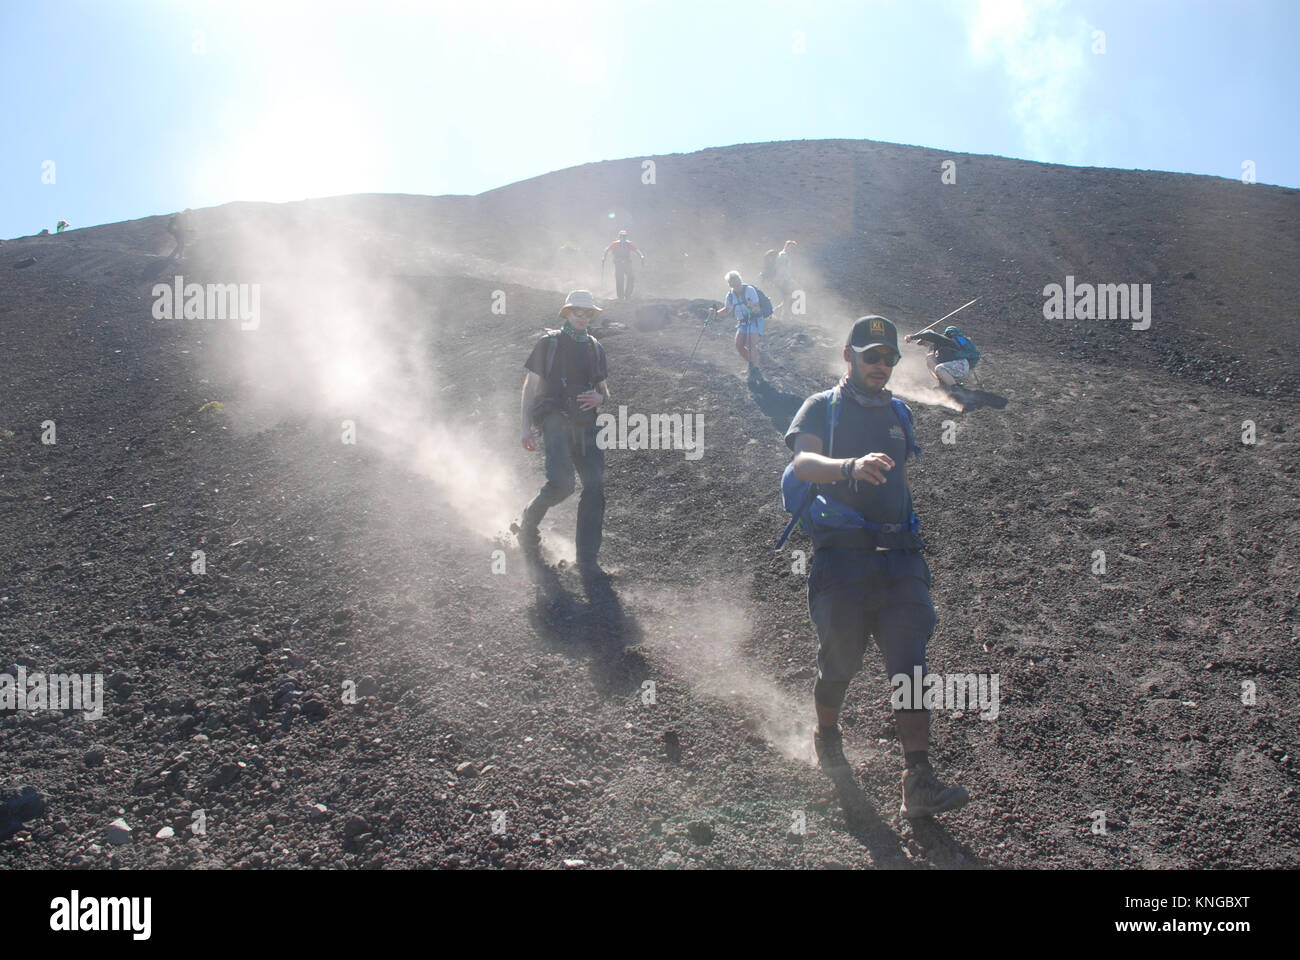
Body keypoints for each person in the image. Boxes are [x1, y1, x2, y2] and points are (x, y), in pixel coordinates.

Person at [784, 314, 969, 818]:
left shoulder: (899, 413)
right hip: (841, 558)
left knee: (910, 664)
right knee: (839, 662)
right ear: (849, 355)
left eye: (889, 358)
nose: (881, 365)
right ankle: (826, 734)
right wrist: (849, 467)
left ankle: (919, 778)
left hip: (899, 557)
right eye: (872, 356)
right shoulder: (821, 407)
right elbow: (803, 465)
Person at [517, 290, 611, 572]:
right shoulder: (549, 343)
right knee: (562, 484)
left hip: (586, 424)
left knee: (595, 487)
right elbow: (530, 387)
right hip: (554, 418)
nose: (582, 318)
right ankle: (528, 523)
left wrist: (601, 399)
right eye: (576, 313)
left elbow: (602, 389)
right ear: (567, 313)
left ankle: (586, 559)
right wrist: (525, 427)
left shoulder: (595, 347)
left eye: (587, 314)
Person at [716, 270, 764, 384]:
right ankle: (753, 365)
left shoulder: (750, 290)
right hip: (743, 322)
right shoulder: (730, 295)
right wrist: (715, 313)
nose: (738, 287)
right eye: (735, 285)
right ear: (730, 285)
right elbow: (727, 310)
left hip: (754, 320)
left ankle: (755, 369)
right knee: (739, 345)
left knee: (750, 344)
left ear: (740, 280)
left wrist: (752, 307)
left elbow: (758, 309)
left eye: (739, 283)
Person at [905, 325, 982, 391]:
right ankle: (944, 384)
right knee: (930, 358)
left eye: (925, 341)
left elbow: (930, 335)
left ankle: (956, 389)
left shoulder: (945, 340)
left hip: (960, 366)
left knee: (939, 368)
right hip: (958, 366)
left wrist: (912, 337)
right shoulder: (942, 345)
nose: (925, 344)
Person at [601, 230, 645, 300]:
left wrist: (641, 256)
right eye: (621, 236)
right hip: (618, 263)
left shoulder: (629, 244)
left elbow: (636, 250)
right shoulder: (615, 243)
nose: (623, 238)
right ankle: (620, 296)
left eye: (624, 236)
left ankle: (628, 294)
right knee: (619, 279)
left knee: (631, 277)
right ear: (619, 237)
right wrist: (604, 257)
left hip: (627, 263)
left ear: (626, 237)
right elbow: (607, 250)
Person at [774, 240, 797, 317]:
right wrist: (782, 280)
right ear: (787, 247)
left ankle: (777, 312)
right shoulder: (783, 256)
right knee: (787, 298)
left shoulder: (785, 255)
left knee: (787, 298)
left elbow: (786, 270)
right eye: (791, 248)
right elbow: (781, 269)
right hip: (783, 280)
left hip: (785, 280)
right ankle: (783, 315)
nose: (793, 250)